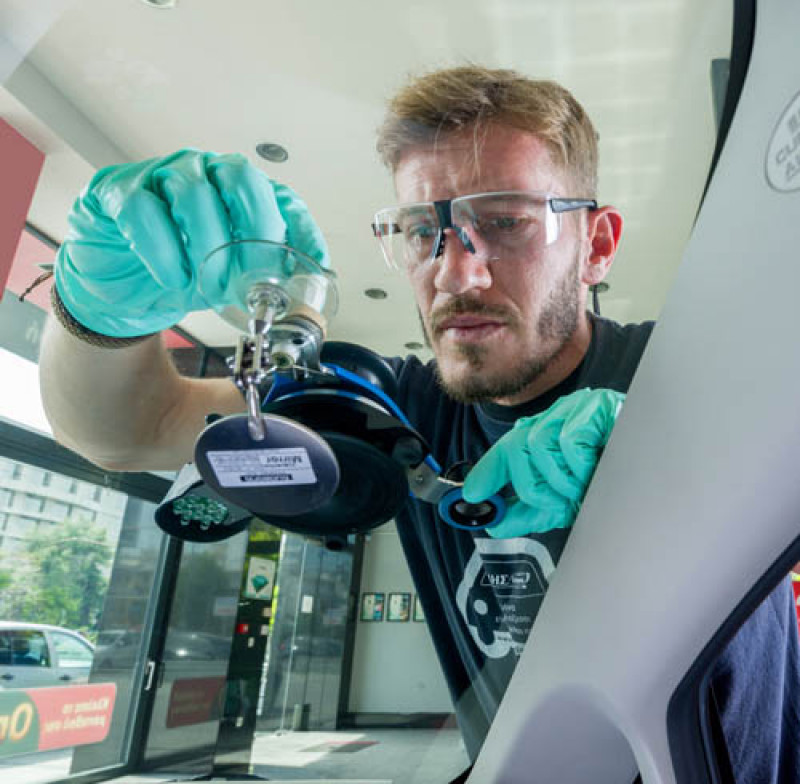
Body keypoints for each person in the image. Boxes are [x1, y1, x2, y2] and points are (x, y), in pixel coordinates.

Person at [39, 66, 800, 780]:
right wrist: (98, 309)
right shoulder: (397, 410)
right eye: (418, 231)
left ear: (595, 246)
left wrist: (678, 446)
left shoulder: (687, 368)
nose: (454, 272)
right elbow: (128, 427)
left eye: (505, 222)